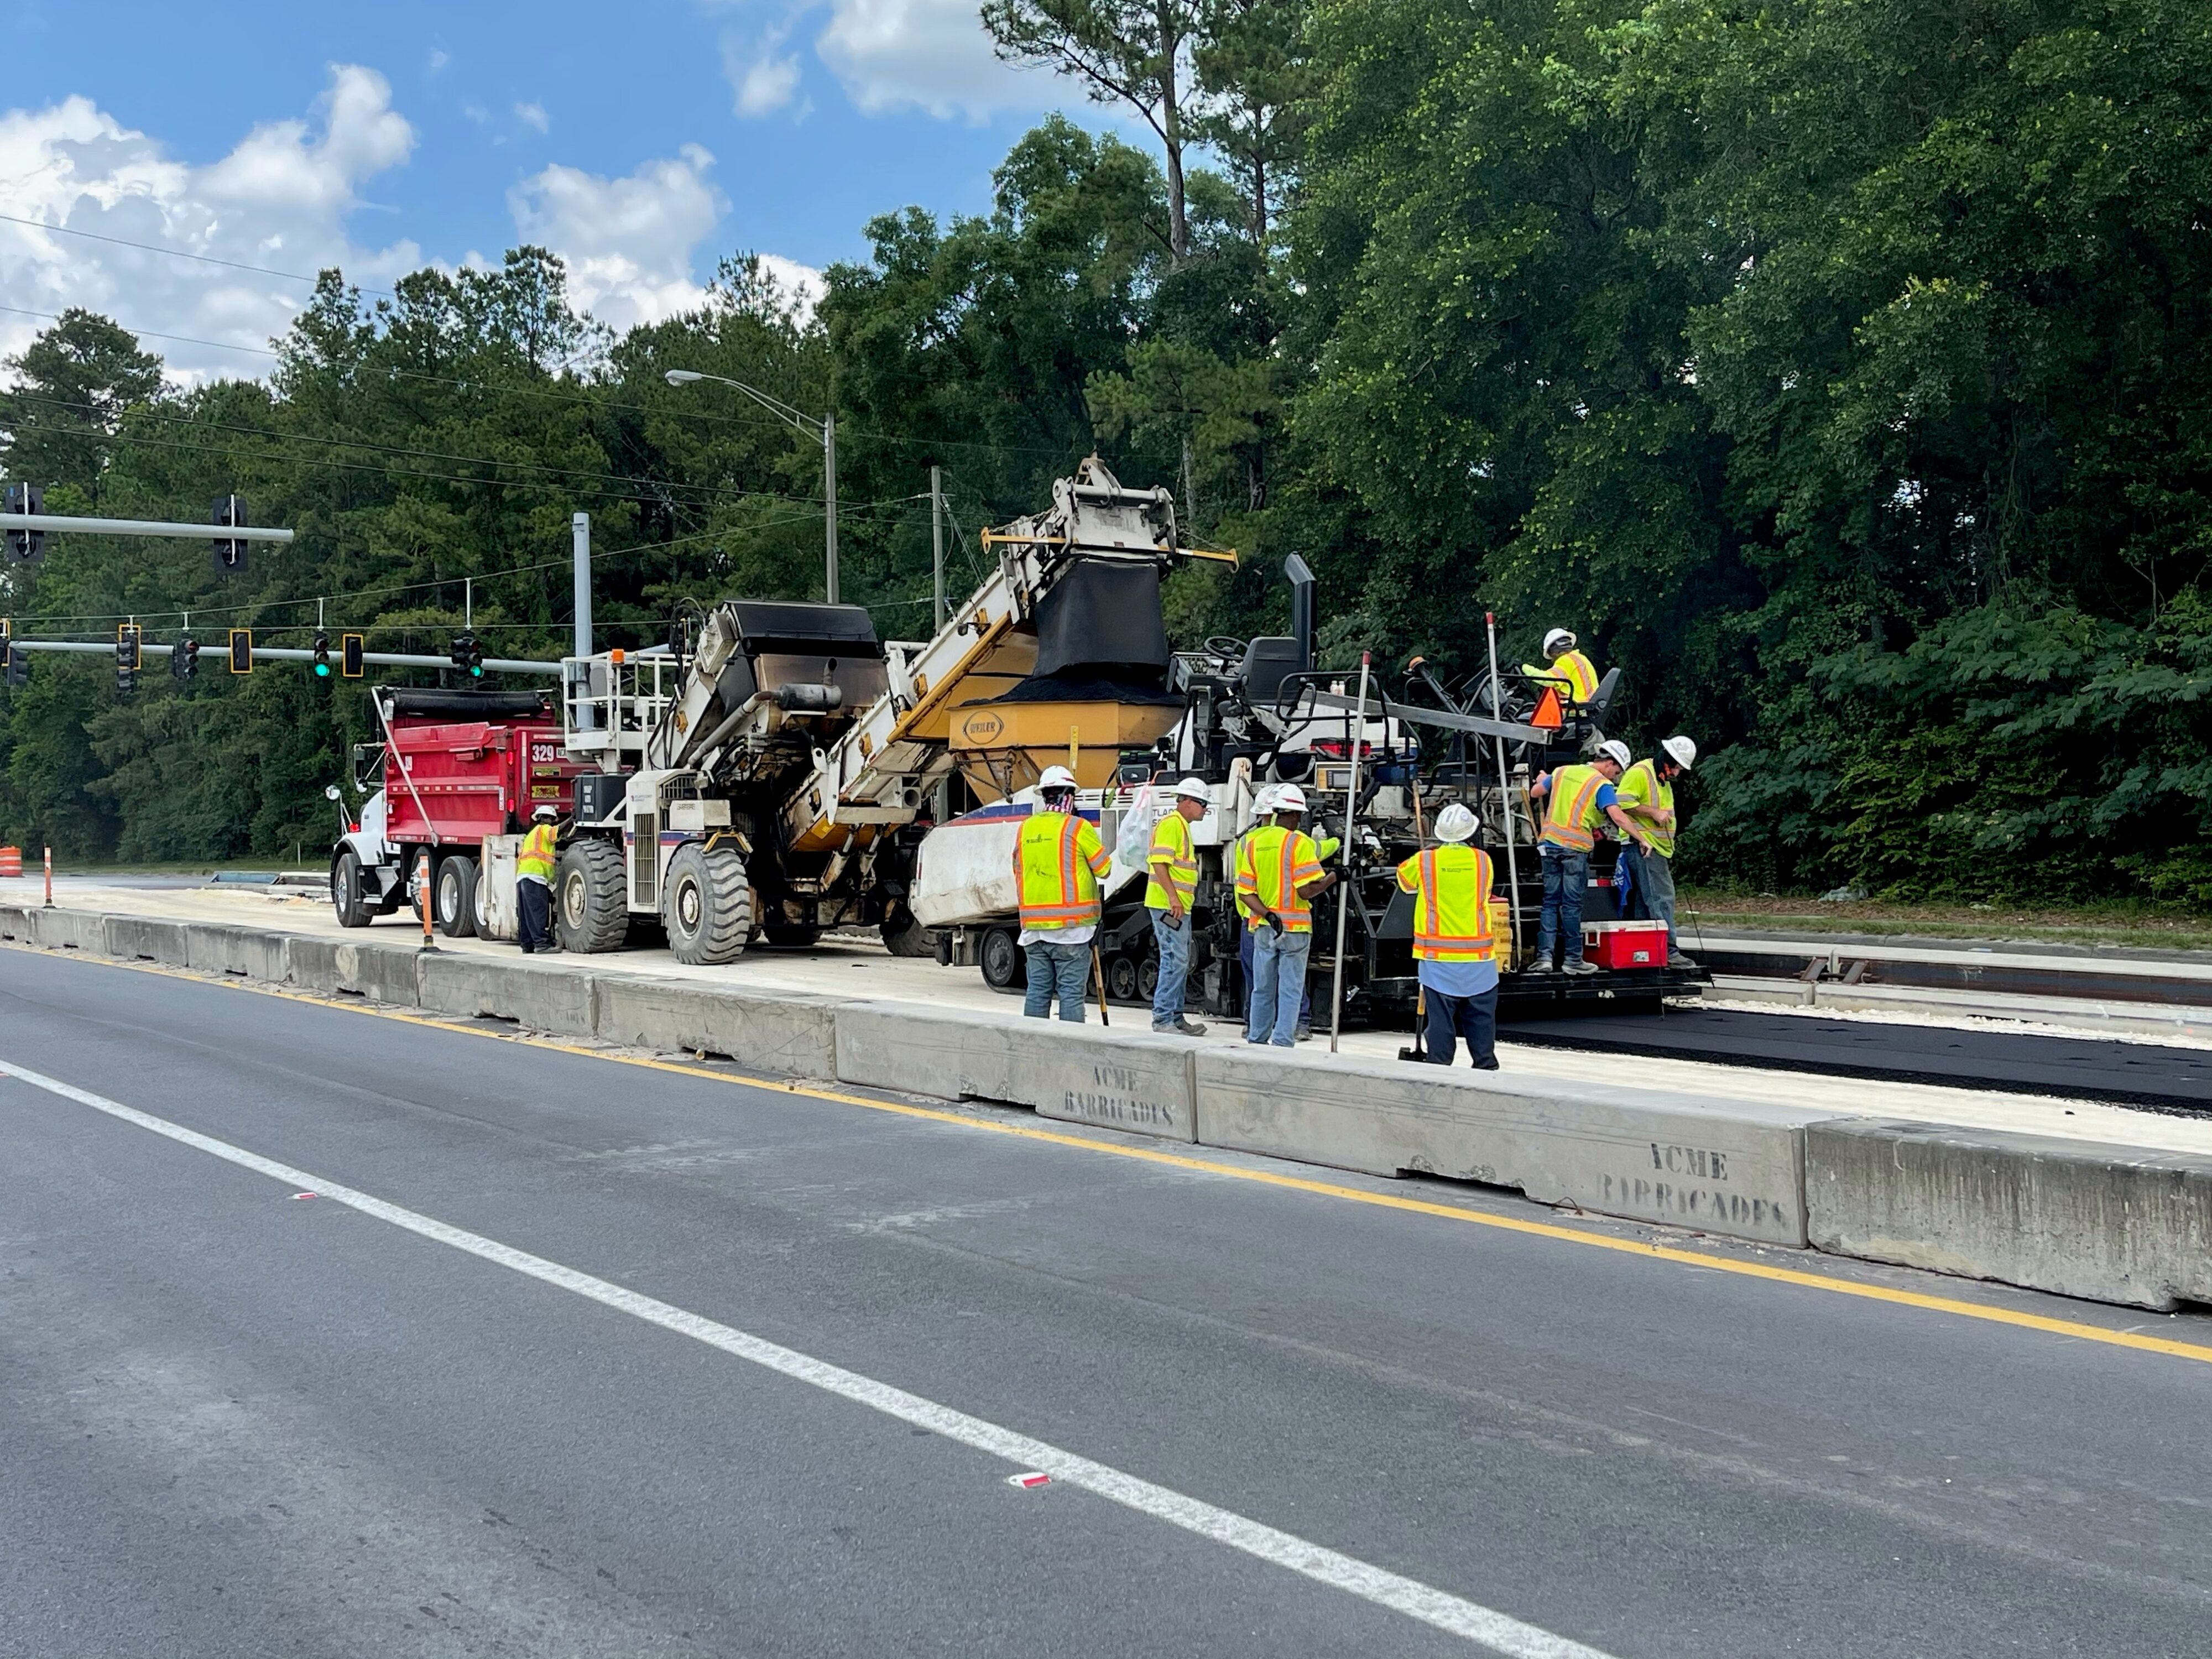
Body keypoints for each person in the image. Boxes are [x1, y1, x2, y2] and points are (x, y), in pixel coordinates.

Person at [1526, 739, 1649, 974]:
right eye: (1617, 771)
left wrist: (1544, 779)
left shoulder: (1563, 772)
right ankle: (1573, 960)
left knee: (1550, 903)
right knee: (1572, 906)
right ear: (1609, 763)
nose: (1616, 777)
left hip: (1549, 846)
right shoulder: (1601, 785)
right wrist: (1642, 839)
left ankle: (1544, 959)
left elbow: (1535, 791)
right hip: (1574, 848)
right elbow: (1619, 817)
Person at [1396, 802, 1501, 1068]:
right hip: (1479, 958)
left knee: (1441, 1021)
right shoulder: (1483, 861)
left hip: (1438, 958)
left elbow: (1405, 882)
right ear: (1470, 833)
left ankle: (1440, 1068)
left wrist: (1428, 855)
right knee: (1482, 1020)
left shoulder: (1425, 861)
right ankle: (1486, 1068)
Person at [1237, 786, 1342, 1039]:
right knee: (1290, 989)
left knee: (1262, 988)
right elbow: (1307, 891)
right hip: (1295, 929)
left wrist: (1268, 914)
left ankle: (1257, 1039)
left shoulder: (1253, 843)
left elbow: (1245, 893)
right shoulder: (1299, 843)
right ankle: (1283, 1042)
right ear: (1295, 815)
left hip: (1263, 928)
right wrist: (1333, 878)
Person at [1014, 764, 1111, 1021]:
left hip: (1033, 929)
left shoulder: (1026, 828)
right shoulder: (1078, 828)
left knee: (1037, 993)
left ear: (1044, 796)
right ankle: (1068, 1052)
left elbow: (1018, 869)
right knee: (1070, 995)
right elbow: (1105, 869)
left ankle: (1031, 1047)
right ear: (1070, 796)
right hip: (1072, 930)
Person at [1616, 734, 1697, 967]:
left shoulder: (1662, 780)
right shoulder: (1641, 773)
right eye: (1678, 768)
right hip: (1644, 846)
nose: (1677, 773)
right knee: (1662, 898)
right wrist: (1653, 813)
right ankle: (1670, 952)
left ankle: (1649, 954)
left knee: (1644, 903)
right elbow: (1620, 804)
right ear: (1667, 761)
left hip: (1654, 848)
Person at [1145, 776, 1212, 1036]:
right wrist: (1173, 898)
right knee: (1175, 960)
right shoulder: (1173, 825)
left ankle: (1175, 1017)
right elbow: (1159, 863)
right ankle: (1163, 1019)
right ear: (1186, 801)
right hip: (1167, 906)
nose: (1205, 809)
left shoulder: (1180, 826)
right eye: (1202, 803)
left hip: (1175, 907)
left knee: (1180, 961)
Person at [517, 803, 559, 954]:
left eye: (552, 819)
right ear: (541, 818)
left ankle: (527, 945)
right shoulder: (544, 829)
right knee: (538, 912)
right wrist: (573, 820)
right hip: (535, 877)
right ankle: (542, 944)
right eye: (549, 818)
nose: (551, 821)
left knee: (525, 914)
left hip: (523, 876)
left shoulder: (531, 835)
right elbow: (557, 832)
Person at [1519, 627, 1600, 706]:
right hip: (1586, 706)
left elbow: (1549, 680)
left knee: (1526, 717)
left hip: (1576, 707)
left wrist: (1524, 668)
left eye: (1550, 654)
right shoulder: (1580, 658)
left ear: (1553, 650)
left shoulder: (1565, 660)